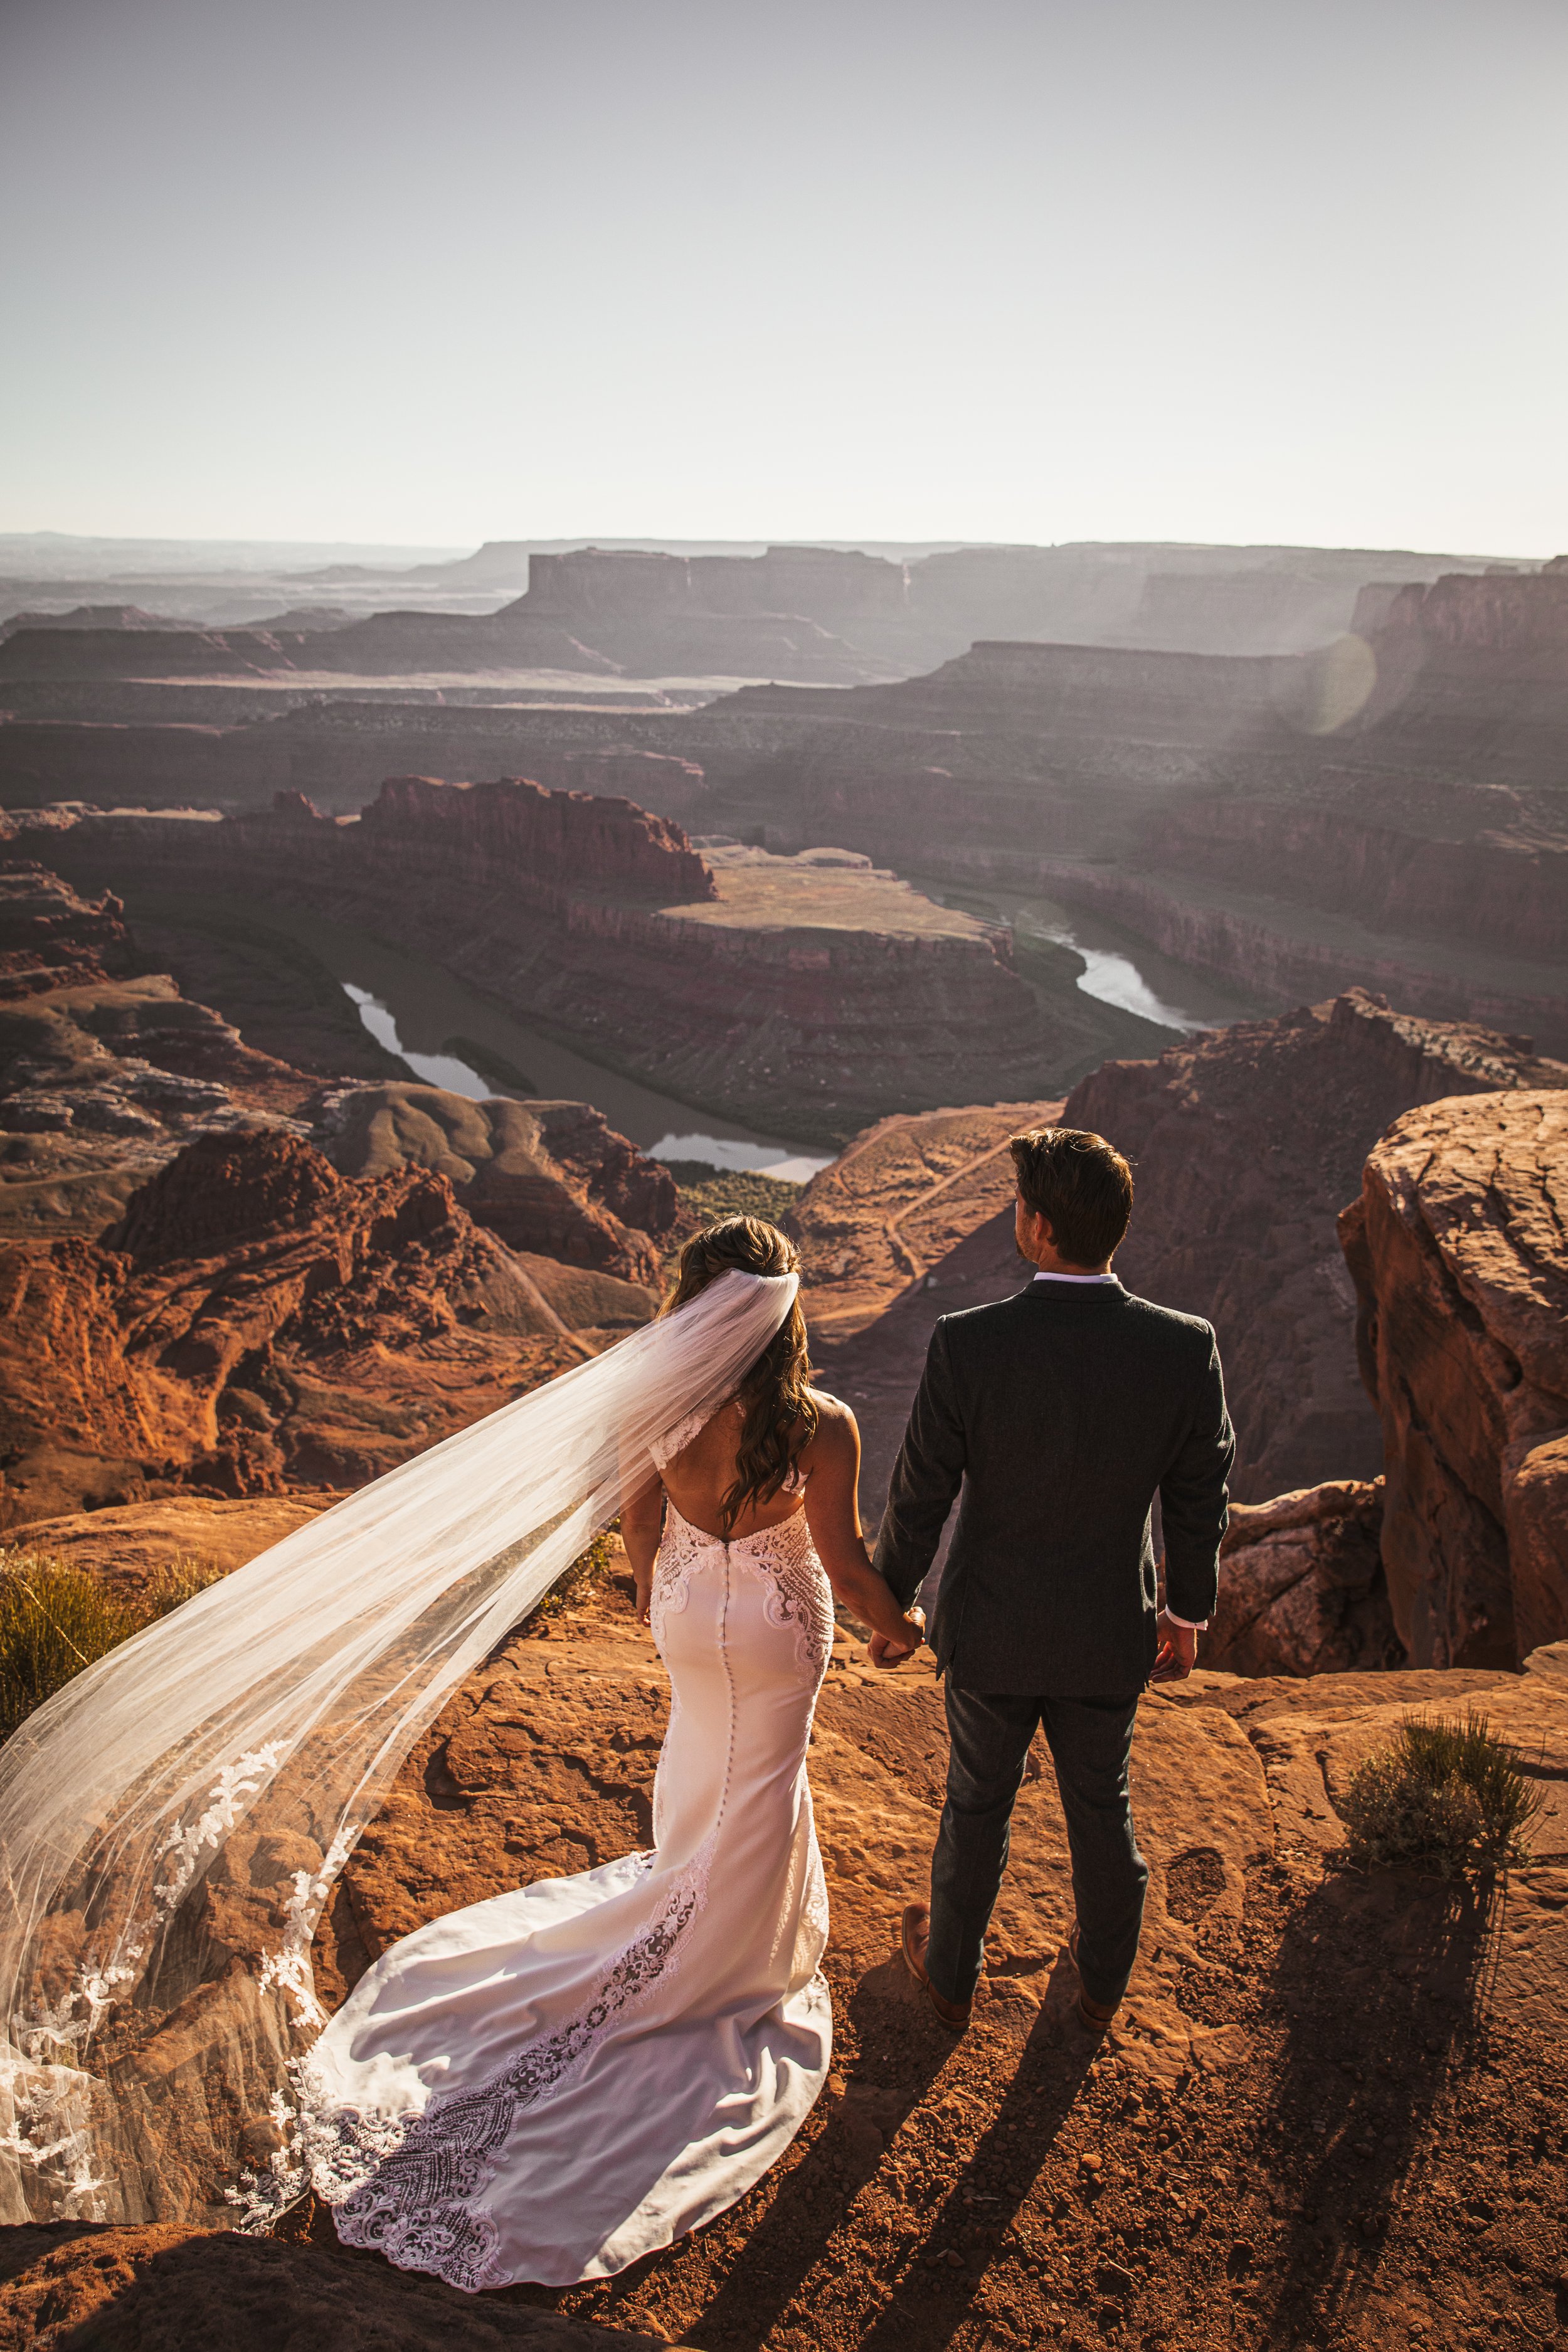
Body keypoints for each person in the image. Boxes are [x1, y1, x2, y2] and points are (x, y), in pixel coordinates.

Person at [302, 1216, 924, 2290]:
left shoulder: (655, 1408)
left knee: (699, 1763)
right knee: (763, 1780)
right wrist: (900, 1623)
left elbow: (636, 1534)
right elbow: (848, 1563)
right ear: (783, 1317)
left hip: (688, 1609)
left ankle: (690, 1908)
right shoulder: (823, 1426)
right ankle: (728, 1956)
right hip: (779, 1629)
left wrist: (664, 1599)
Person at [869, 1125, 1234, 2035]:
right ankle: (1103, 1982)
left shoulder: (969, 1344)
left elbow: (922, 1490)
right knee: (1100, 1802)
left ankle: (950, 1976)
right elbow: (1199, 1493)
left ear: (1035, 1226)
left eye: (1019, 1204)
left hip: (991, 1629)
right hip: (1110, 1628)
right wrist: (1185, 1613)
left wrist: (892, 1604)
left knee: (976, 1802)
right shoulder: (1183, 1348)